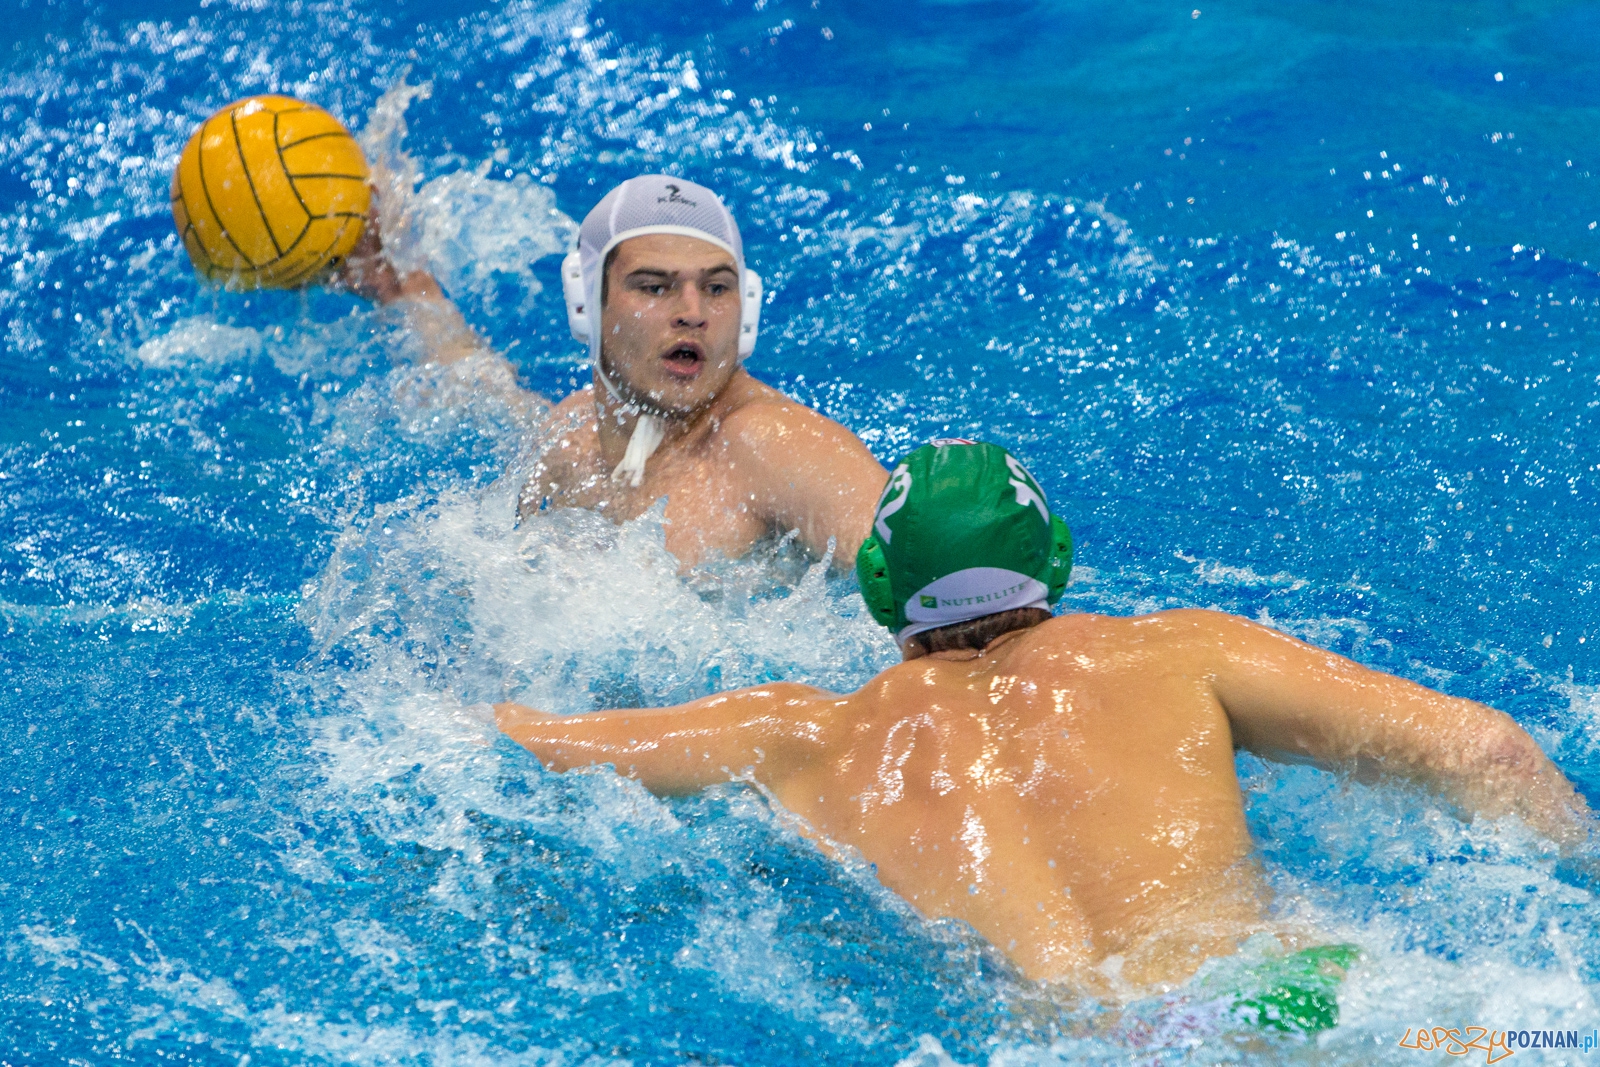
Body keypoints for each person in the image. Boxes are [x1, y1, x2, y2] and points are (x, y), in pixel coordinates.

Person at [495, 440, 1595, 1012]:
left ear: (879, 588)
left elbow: (546, 743)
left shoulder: (801, 733)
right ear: (1054, 561)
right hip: (1283, 998)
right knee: (1524, 1031)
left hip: (1081, 1039)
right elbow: (1489, 751)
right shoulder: (1169, 649)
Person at [338, 173, 888, 567]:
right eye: (655, 286)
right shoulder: (569, 436)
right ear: (586, 303)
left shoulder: (772, 446)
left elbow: (941, 590)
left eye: (716, 288)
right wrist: (393, 288)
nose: (693, 313)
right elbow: (487, 391)